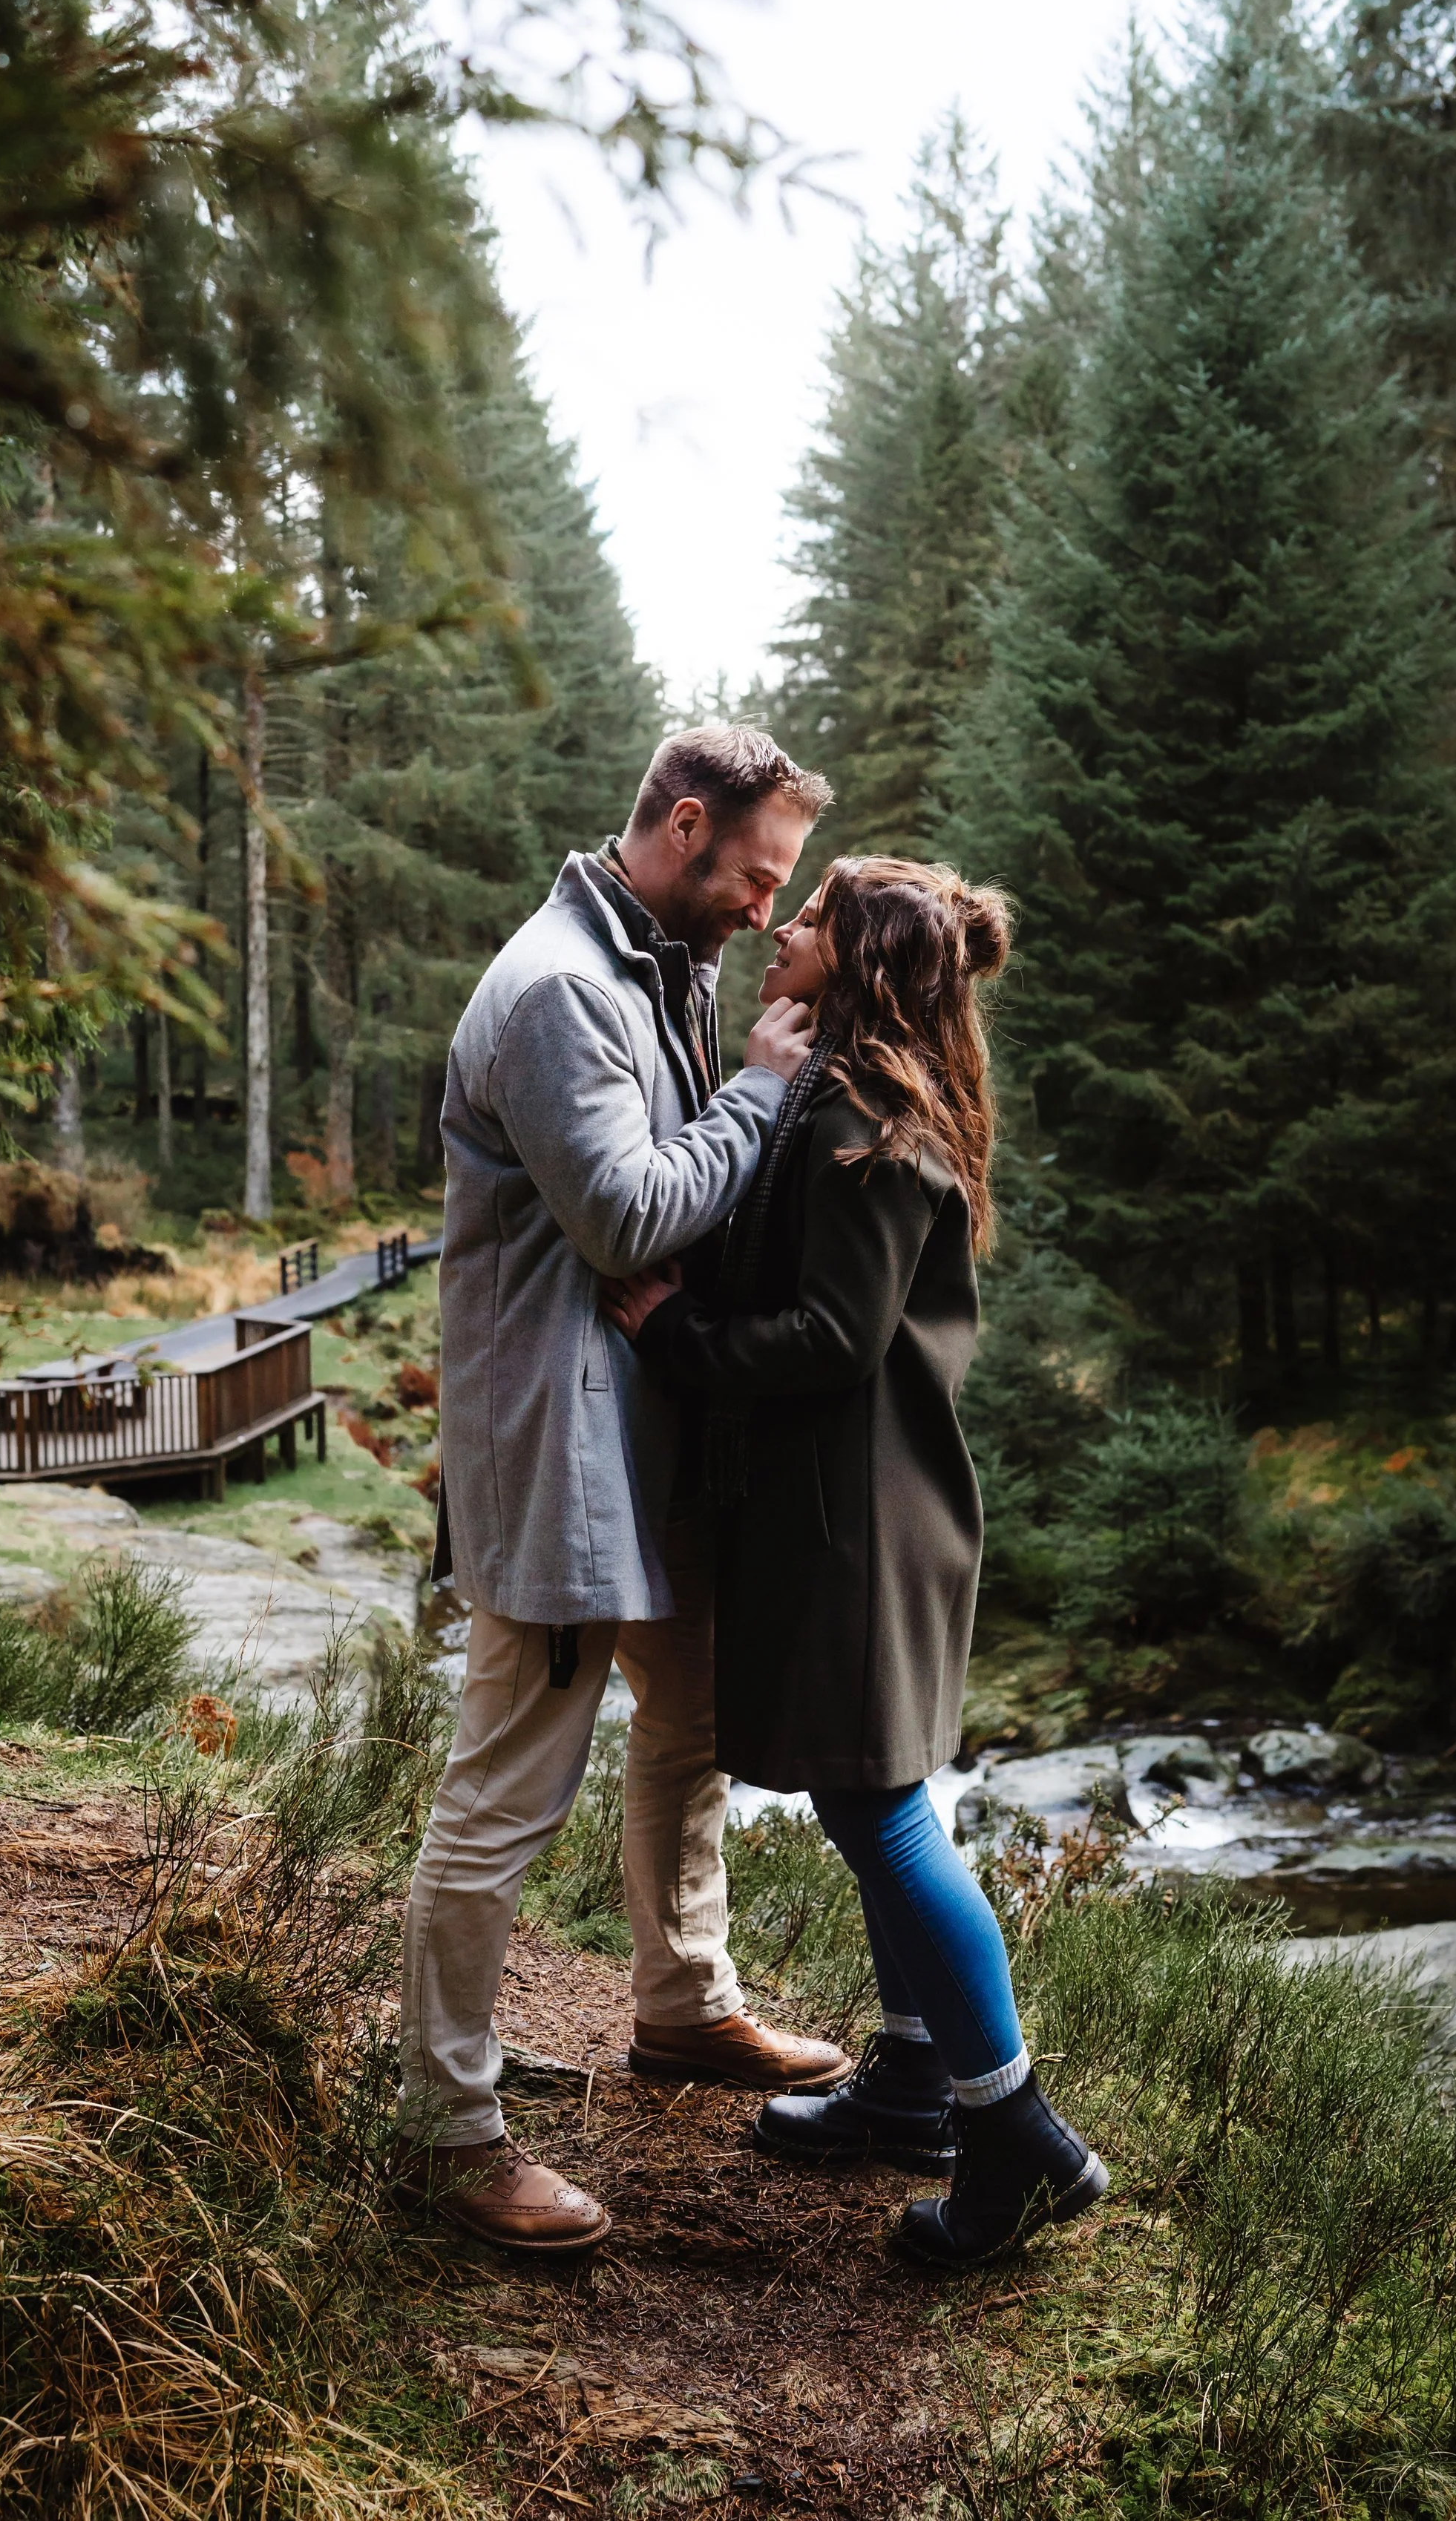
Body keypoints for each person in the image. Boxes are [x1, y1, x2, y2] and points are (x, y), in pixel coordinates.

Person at [603, 857, 1107, 2269]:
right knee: (868, 1795)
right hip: (859, 1514)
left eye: (812, 918)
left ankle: (1017, 2132)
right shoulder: (850, 1102)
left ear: (865, 959)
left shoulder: (866, 1124)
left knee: (877, 1807)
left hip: (859, 1526)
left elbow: (834, 1339)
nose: (783, 931)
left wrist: (670, 1338)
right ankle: (907, 2081)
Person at [393, 727, 850, 2257]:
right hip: (553, 1456)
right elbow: (620, 1213)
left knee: (695, 1721)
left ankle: (682, 2007)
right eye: (752, 878)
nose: (759, 908)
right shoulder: (558, 991)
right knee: (506, 1793)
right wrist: (765, 1093)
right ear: (679, 826)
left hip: (640, 1445)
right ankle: (449, 2132)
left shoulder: (654, 960)